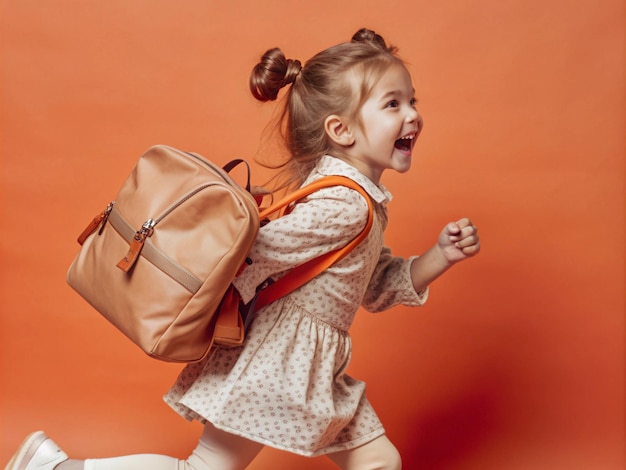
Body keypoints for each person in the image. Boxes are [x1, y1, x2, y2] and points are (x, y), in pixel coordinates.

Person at [7, 28, 480, 470]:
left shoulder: (357, 200)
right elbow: (255, 252)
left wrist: (440, 256)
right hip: (278, 366)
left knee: (379, 462)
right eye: (392, 104)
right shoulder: (346, 205)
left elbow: (374, 287)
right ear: (341, 131)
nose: (412, 114)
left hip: (313, 368)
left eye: (412, 100)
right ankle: (57, 467)